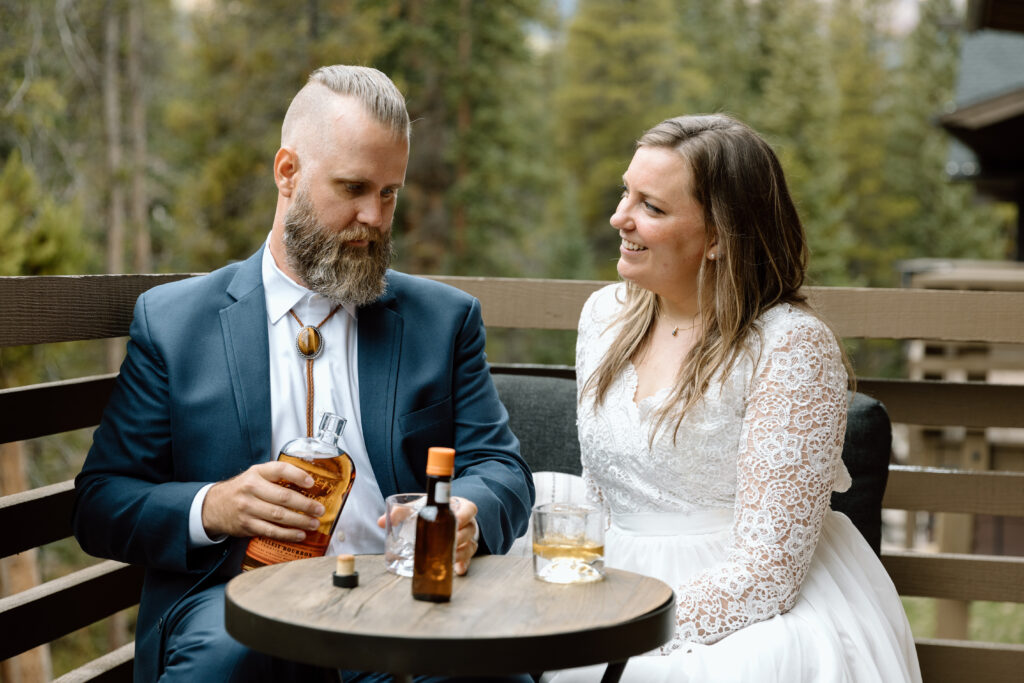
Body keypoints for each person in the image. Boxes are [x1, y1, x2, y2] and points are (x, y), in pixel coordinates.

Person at [72, 65, 535, 683]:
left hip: (403, 600)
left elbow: (503, 471)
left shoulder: (443, 320)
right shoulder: (176, 322)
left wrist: (463, 515)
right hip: (236, 604)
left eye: (390, 192)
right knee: (226, 661)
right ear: (287, 173)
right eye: (353, 187)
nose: (375, 216)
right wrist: (215, 506)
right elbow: (102, 502)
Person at [552, 114, 921, 682]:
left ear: (721, 236)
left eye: (651, 206)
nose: (618, 217)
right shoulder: (604, 316)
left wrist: (629, 627)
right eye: (626, 192)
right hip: (617, 580)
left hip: (751, 607)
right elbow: (601, 488)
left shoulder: (789, 346)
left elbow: (769, 571)